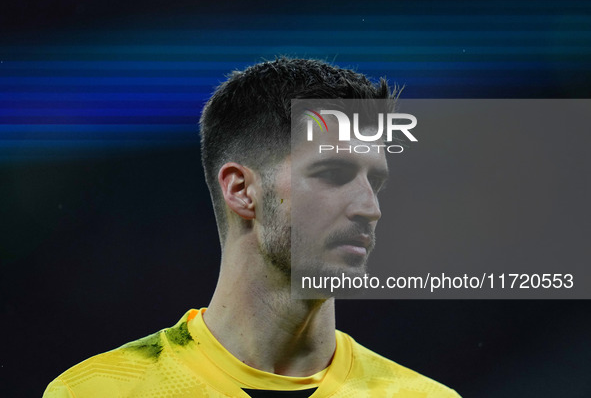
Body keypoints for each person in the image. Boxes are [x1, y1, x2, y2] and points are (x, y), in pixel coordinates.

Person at [43, 57, 460, 398]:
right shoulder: (97, 392)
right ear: (242, 190)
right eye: (333, 174)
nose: (371, 208)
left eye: (375, 182)